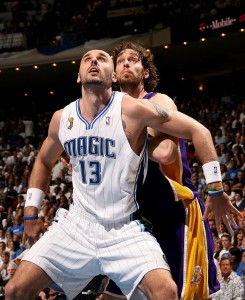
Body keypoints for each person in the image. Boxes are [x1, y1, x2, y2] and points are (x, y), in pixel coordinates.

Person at [5, 49, 240, 300]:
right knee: (15, 289)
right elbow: (43, 159)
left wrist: (215, 188)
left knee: (170, 291)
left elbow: (176, 147)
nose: (94, 60)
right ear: (79, 76)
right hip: (81, 225)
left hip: (155, 217)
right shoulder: (63, 118)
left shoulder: (144, 106)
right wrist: (31, 210)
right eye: (87, 59)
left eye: (103, 58)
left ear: (112, 77)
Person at [99, 42, 238, 300]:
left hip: (176, 215)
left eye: (133, 59)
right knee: (111, 296)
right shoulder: (110, 115)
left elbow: (166, 152)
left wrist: (216, 188)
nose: (126, 63)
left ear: (146, 72)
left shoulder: (157, 100)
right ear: (114, 74)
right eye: (121, 61)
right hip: (138, 222)